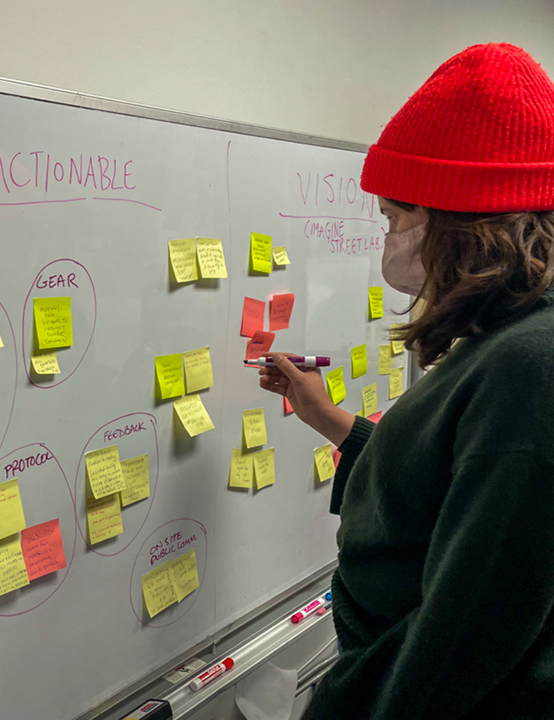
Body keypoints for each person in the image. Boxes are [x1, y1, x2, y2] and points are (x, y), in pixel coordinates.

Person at [259, 43, 554, 718]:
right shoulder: (510, 341)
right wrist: (331, 421)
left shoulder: (531, 364)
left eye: (394, 217)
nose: (388, 236)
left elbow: (471, 626)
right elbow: (452, 485)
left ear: (458, 217)